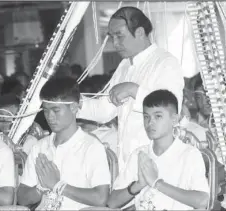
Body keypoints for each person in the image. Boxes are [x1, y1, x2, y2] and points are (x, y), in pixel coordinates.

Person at [77, 7, 184, 170]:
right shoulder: (125, 66)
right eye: (112, 37)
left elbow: (170, 112)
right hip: (127, 163)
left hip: (157, 162)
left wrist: (134, 90)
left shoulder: (166, 62)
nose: (115, 43)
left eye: (119, 36)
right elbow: (103, 111)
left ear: (140, 32)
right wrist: (71, 102)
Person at [17, 77, 110, 210]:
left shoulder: (91, 147)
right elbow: (22, 198)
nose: (49, 117)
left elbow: (101, 198)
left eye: (55, 110)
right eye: (46, 110)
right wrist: (41, 187)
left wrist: (57, 185)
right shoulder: (40, 147)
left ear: (73, 107)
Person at [107, 90, 209, 210]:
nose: (150, 122)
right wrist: (138, 185)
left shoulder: (189, 154)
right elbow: (112, 202)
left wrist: (157, 183)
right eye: (146, 117)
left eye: (158, 116)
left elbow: (202, 201)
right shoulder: (140, 154)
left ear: (174, 120)